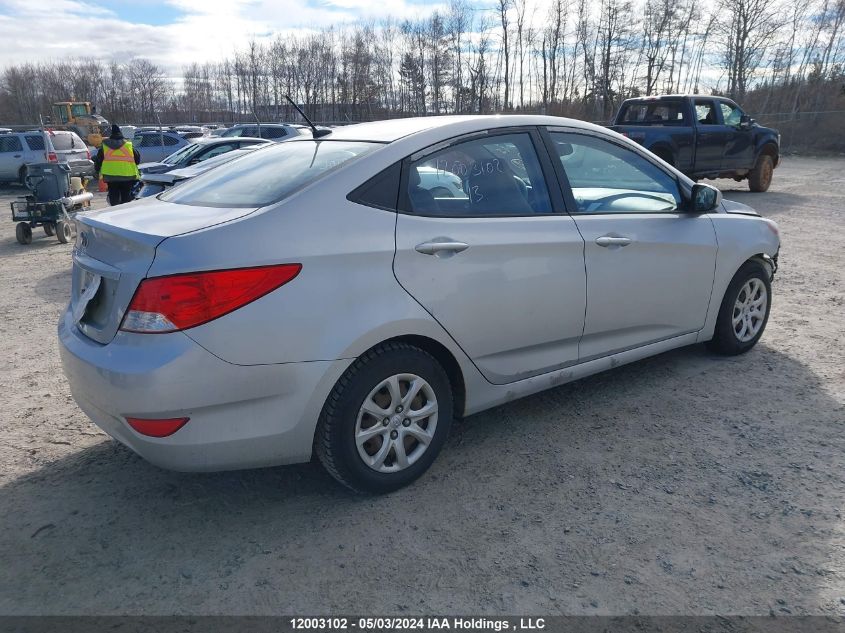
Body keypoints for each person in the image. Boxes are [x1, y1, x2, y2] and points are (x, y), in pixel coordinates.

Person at [94, 124, 140, 206]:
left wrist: (97, 170)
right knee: (126, 198)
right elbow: (137, 159)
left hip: (111, 177)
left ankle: (115, 213)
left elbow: (98, 161)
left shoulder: (104, 147)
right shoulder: (128, 145)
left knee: (113, 196)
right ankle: (125, 214)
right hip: (127, 176)